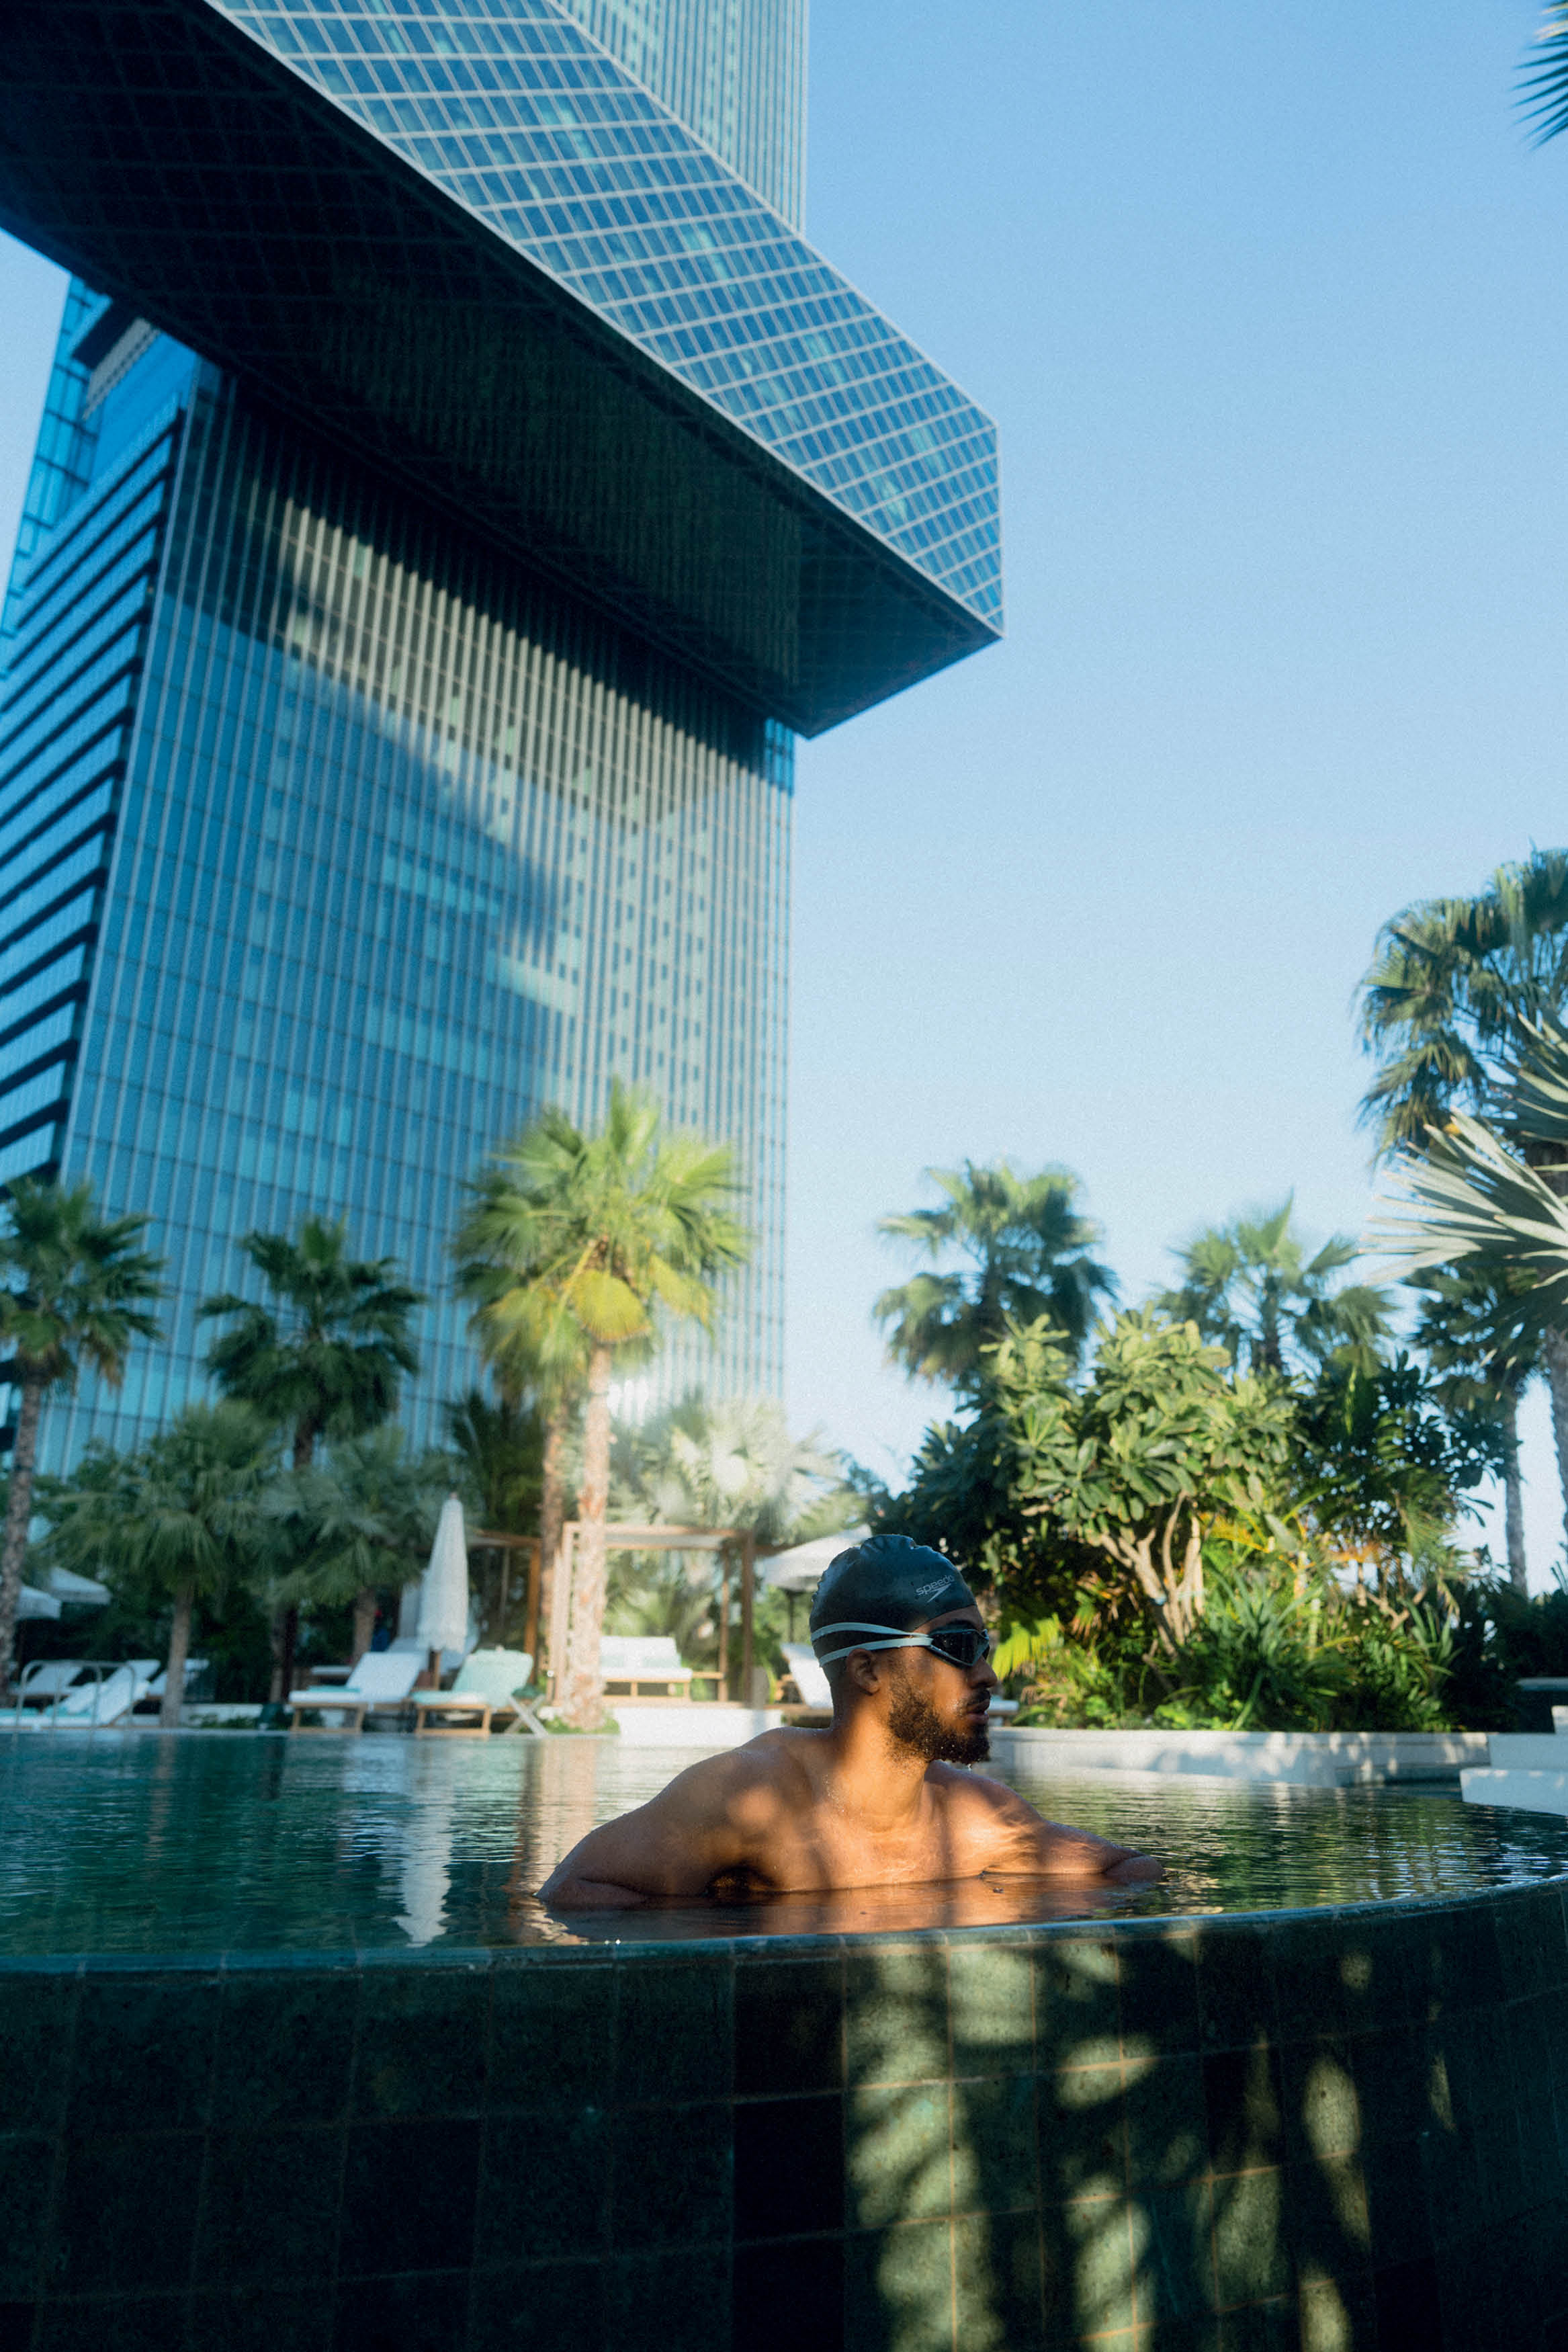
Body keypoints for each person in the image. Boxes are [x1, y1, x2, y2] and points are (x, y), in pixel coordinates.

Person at [539, 1533, 1160, 1910]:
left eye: (985, 1646)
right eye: (957, 1647)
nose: (988, 1676)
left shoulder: (974, 1819)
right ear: (867, 1670)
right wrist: (736, 1943)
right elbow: (577, 1886)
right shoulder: (752, 1798)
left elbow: (1131, 1871)